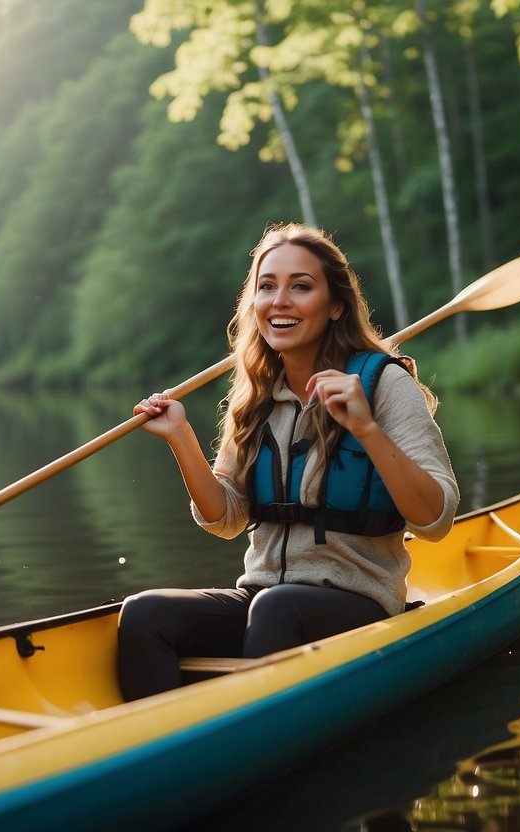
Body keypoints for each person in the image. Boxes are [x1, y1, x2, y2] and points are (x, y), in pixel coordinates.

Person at [116, 222, 459, 701]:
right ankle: (150, 749)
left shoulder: (384, 384)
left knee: (279, 609)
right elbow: (225, 518)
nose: (280, 300)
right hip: (264, 600)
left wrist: (366, 428)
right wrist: (181, 437)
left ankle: (243, 742)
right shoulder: (257, 394)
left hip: (359, 602)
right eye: (267, 286)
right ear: (253, 304)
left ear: (335, 305)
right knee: (144, 612)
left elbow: (436, 519)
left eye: (301, 286)